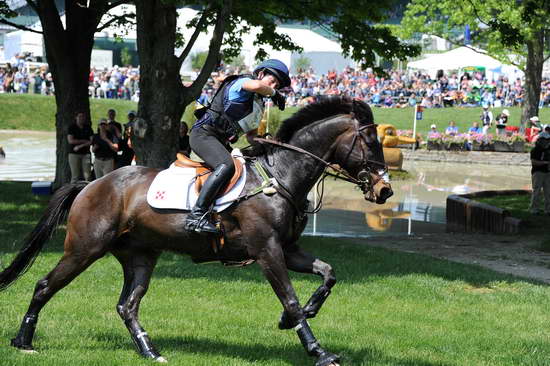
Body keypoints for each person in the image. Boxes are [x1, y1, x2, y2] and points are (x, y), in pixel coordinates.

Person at [185, 59, 290, 234]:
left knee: (244, 170)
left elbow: (251, 137)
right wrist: (274, 93)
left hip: (219, 142)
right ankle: (196, 215)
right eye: (272, 81)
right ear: (261, 73)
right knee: (226, 165)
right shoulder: (241, 82)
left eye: (277, 85)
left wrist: (269, 143)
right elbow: (256, 86)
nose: (274, 86)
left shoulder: (258, 105)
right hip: (203, 134)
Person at [529, 126, 550, 215]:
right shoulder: (535, 150)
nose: (547, 141)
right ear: (540, 140)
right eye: (546, 140)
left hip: (548, 173)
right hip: (538, 173)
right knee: (536, 191)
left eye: (548, 140)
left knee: (548, 192)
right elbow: (534, 162)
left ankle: (548, 210)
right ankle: (534, 209)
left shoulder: (548, 149)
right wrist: (545, 163)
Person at [67, 112, 93, 182]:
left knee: (88, 175)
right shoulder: (72, 127)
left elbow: (92, 141)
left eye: (83, 117)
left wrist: (80, 145)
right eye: (80, 116)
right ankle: (73, 191)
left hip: (86, 154)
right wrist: (84, 141)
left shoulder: (88, 127)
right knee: (75, 176)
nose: (82, 118)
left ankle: (88, 191)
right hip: (74, 154)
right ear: (76, 117)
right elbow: (71, 141)